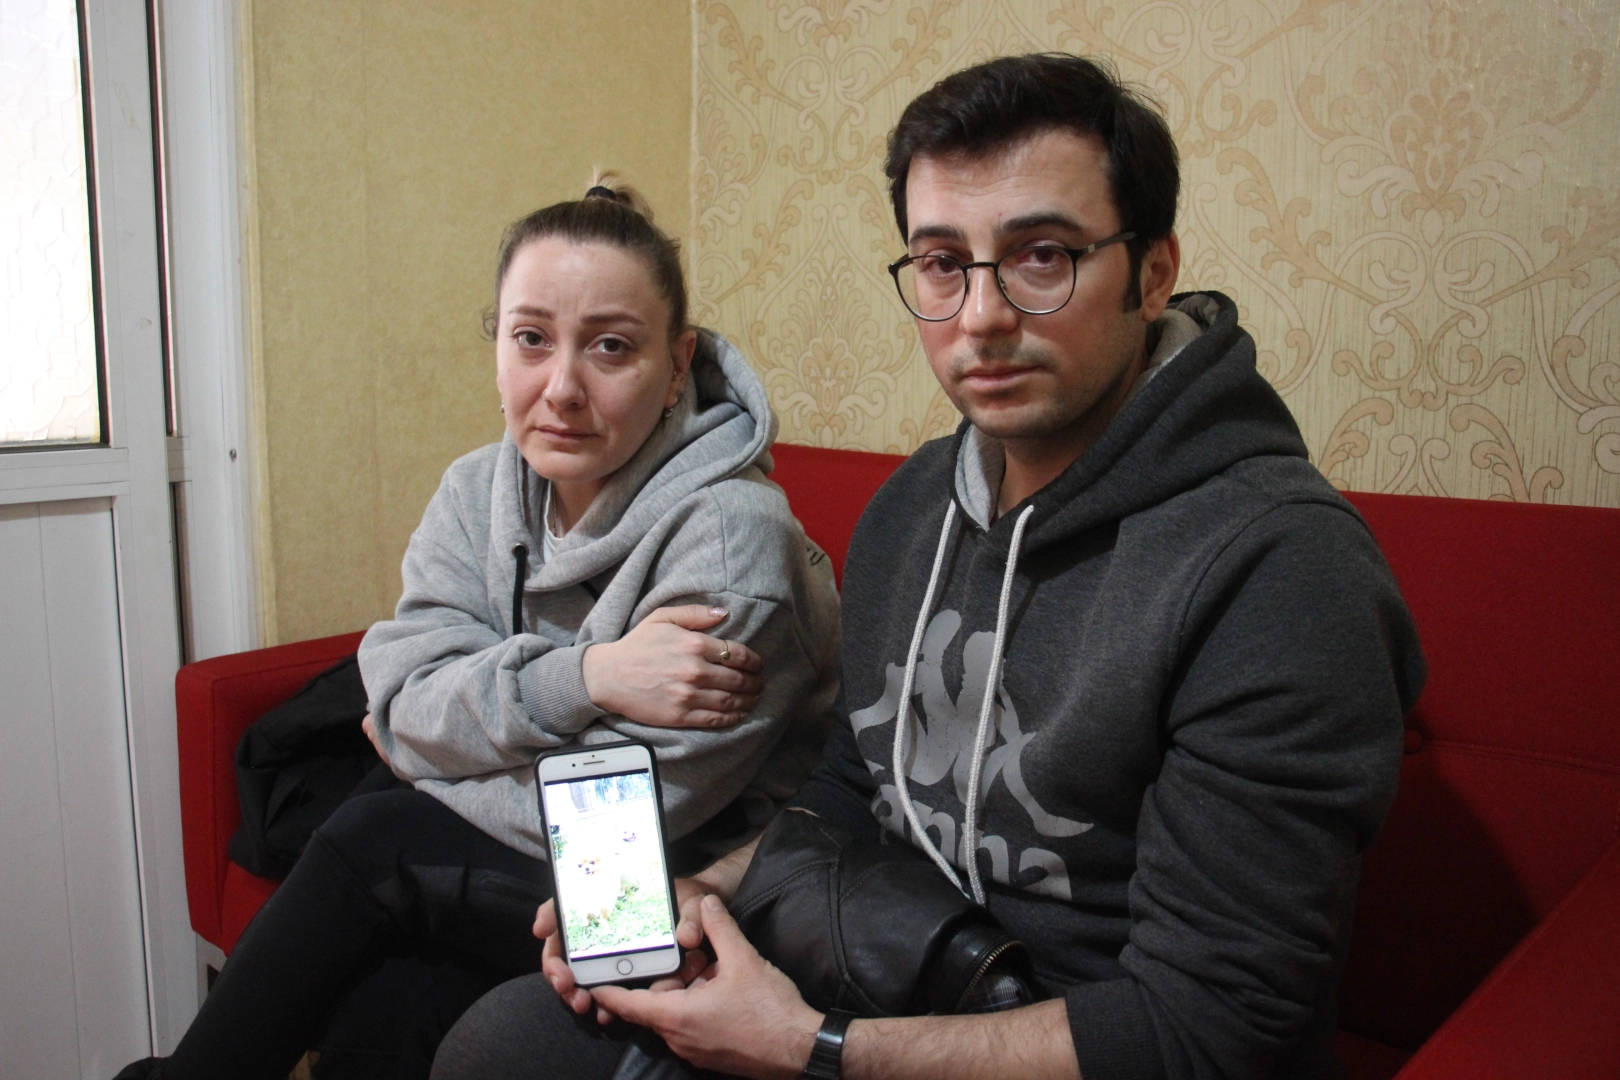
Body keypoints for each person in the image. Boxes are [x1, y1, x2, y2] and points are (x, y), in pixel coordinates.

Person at [435, 53, 1427, 1080]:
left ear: (1153, 272)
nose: (982, 316)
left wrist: (807, 1048)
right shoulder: (914, 507)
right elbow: (846, 783)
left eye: (1042, 256)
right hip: (888, 958)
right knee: (499, 1034)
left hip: (1075, 1040)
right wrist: (709, 891)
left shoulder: (1282, 572)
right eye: (944, 263)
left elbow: (1213, 1029)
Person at [114, 177, 839, 1080]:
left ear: (676, 365)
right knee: (386, 1002)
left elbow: (632, 811)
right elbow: (402, 691)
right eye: (531, 339)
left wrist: (424, 752)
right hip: (551, 850)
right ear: (496, 344)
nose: (562, 388)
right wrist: (589, 678)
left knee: (375, 837)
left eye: (611, 347)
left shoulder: (733, 538)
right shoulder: (474, 491)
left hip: (691, 884)